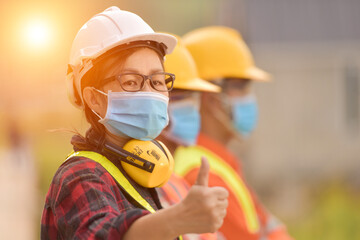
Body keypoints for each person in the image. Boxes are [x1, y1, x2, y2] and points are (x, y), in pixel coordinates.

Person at [41, 8, 228, 240]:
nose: (149, 93)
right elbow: (102, 234)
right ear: (95, 99)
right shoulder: (79, 175)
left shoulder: (145, 169)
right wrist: (178, 218)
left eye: (158, 81)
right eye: (131, 82)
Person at [172, 26, 293, 240]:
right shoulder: (202, 174)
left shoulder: (222, 163)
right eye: (242, 86)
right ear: (211, 97)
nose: (249, 97)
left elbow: (267, 225)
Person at [157, 36, 221, 240]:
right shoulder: (150, 180)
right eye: (181, 97)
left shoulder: (173, 177)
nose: (193, 109)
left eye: (193, 98)